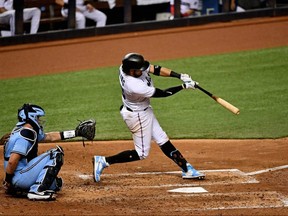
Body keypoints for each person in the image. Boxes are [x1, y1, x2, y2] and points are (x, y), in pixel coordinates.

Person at [92, 53, 205, 183]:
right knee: (141, 153)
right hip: (137, 116)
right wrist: (184, 86)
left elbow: (155, 69)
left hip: (144, 111)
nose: (143, 70)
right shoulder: (134, 85)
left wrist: (179, 76)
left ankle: (187, 169)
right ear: (131, 71)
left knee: (162, 139)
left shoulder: (127, 65)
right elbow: (163, 93)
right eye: (139, 70)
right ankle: (104, 161)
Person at [2, 103, 88, 201]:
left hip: (18, 177)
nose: (39, 120)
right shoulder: (26, 134)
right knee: (55, 154)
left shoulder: (26, 131)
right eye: (38, 117)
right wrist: (8, 181)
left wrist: (76, 133)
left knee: (55, 183)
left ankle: (21, 189)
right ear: (32, 117)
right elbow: (12, 161)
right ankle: (36, 191)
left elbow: (50, 137)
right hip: (19, 177)